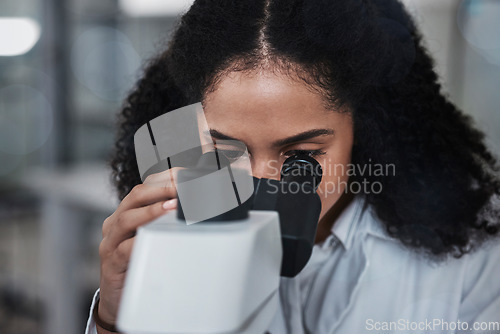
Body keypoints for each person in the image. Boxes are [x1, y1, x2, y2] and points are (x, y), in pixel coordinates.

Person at [85, 0, 500, 333]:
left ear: (369, 128)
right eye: (227, 150)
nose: (261, 177)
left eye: (302, 156)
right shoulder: (185, 223)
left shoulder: (476, 257)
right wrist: (116, 320)